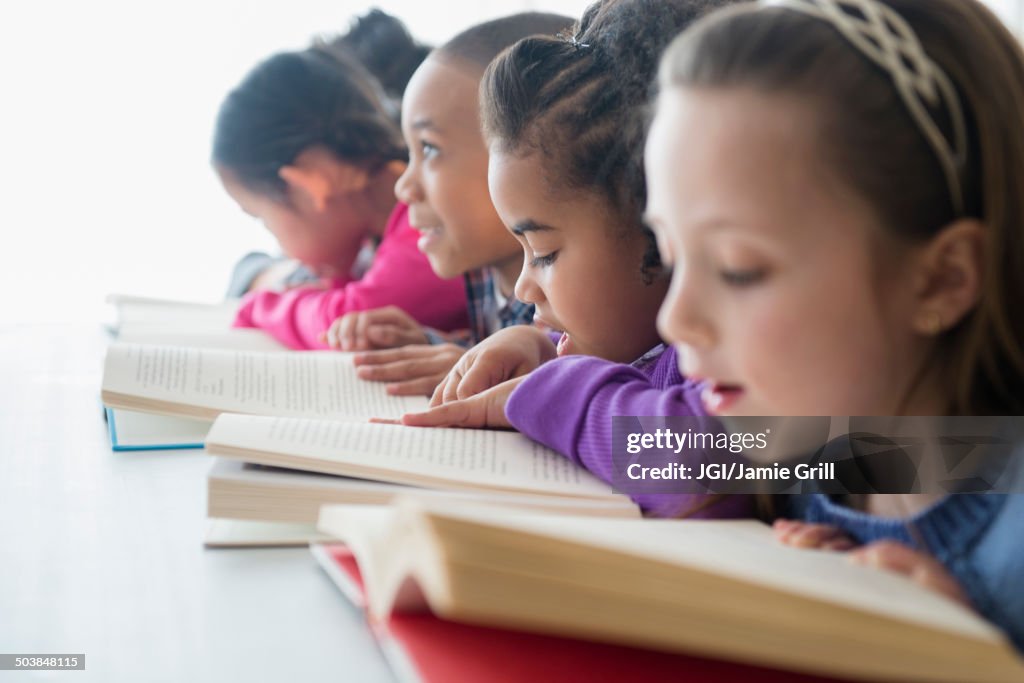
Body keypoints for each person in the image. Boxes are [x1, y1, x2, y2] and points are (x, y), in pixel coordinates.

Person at [643, 0, 1024, 650]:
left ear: (942, 279)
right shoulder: (815, 455)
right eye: (668, 256)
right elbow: (644, 450)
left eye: (739, 269)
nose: (672, 317)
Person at [396, 0, 749, 520]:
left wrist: (554, 391)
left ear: (657, 228)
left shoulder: (757, 366)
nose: (523, 288)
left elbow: (703, 463)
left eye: (544, 253)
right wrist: (547, 355)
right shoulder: (663, 358)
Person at [325, 12, 575, 395]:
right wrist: (435, 347)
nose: (404, 187)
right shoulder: (486, 275)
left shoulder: (578, 298)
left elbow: (644, 430)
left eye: (429, 149)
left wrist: (524, 383)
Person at [213, 14, 467, 349]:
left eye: (263, 218)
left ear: (309, 183)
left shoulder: (428, 228)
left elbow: (346, 321)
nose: (279, 243)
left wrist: (257, 306)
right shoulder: (377, 237)